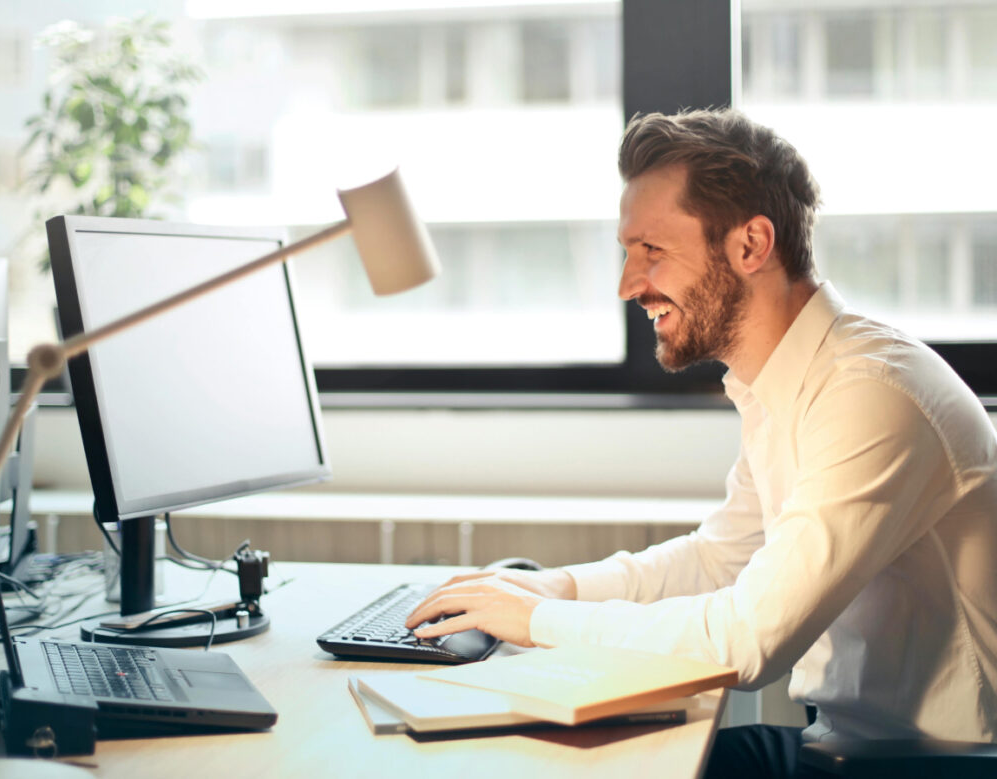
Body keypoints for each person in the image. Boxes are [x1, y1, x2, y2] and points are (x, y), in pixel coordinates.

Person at [405, 108, 997, 777]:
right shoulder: (786, 382)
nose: (629, 284)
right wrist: (554, 587)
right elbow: (722, 559)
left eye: (651, 251)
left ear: (751, 245)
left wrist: (536, 618)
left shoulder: (872, 396)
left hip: (936, 767)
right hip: (842, 747)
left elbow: (747, 640)